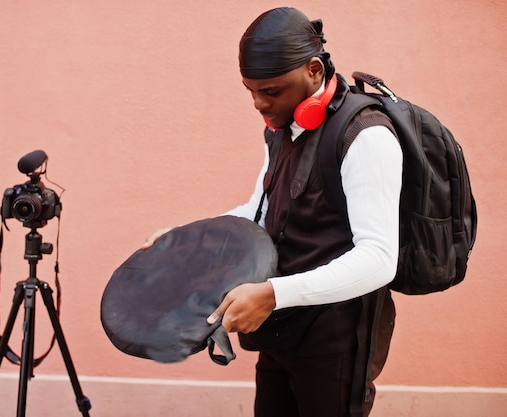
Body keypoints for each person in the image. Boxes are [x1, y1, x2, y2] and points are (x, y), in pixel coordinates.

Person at [143, 7, 402, 417]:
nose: (257, 103)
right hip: (280, 328)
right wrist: (188, 239)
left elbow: (380, 259)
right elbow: (259, 212)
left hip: (335, 343)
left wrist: (272, 294)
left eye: (271, 90)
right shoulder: (282, 129)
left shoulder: (365, 136)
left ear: (314, 70)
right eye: (249, 90)